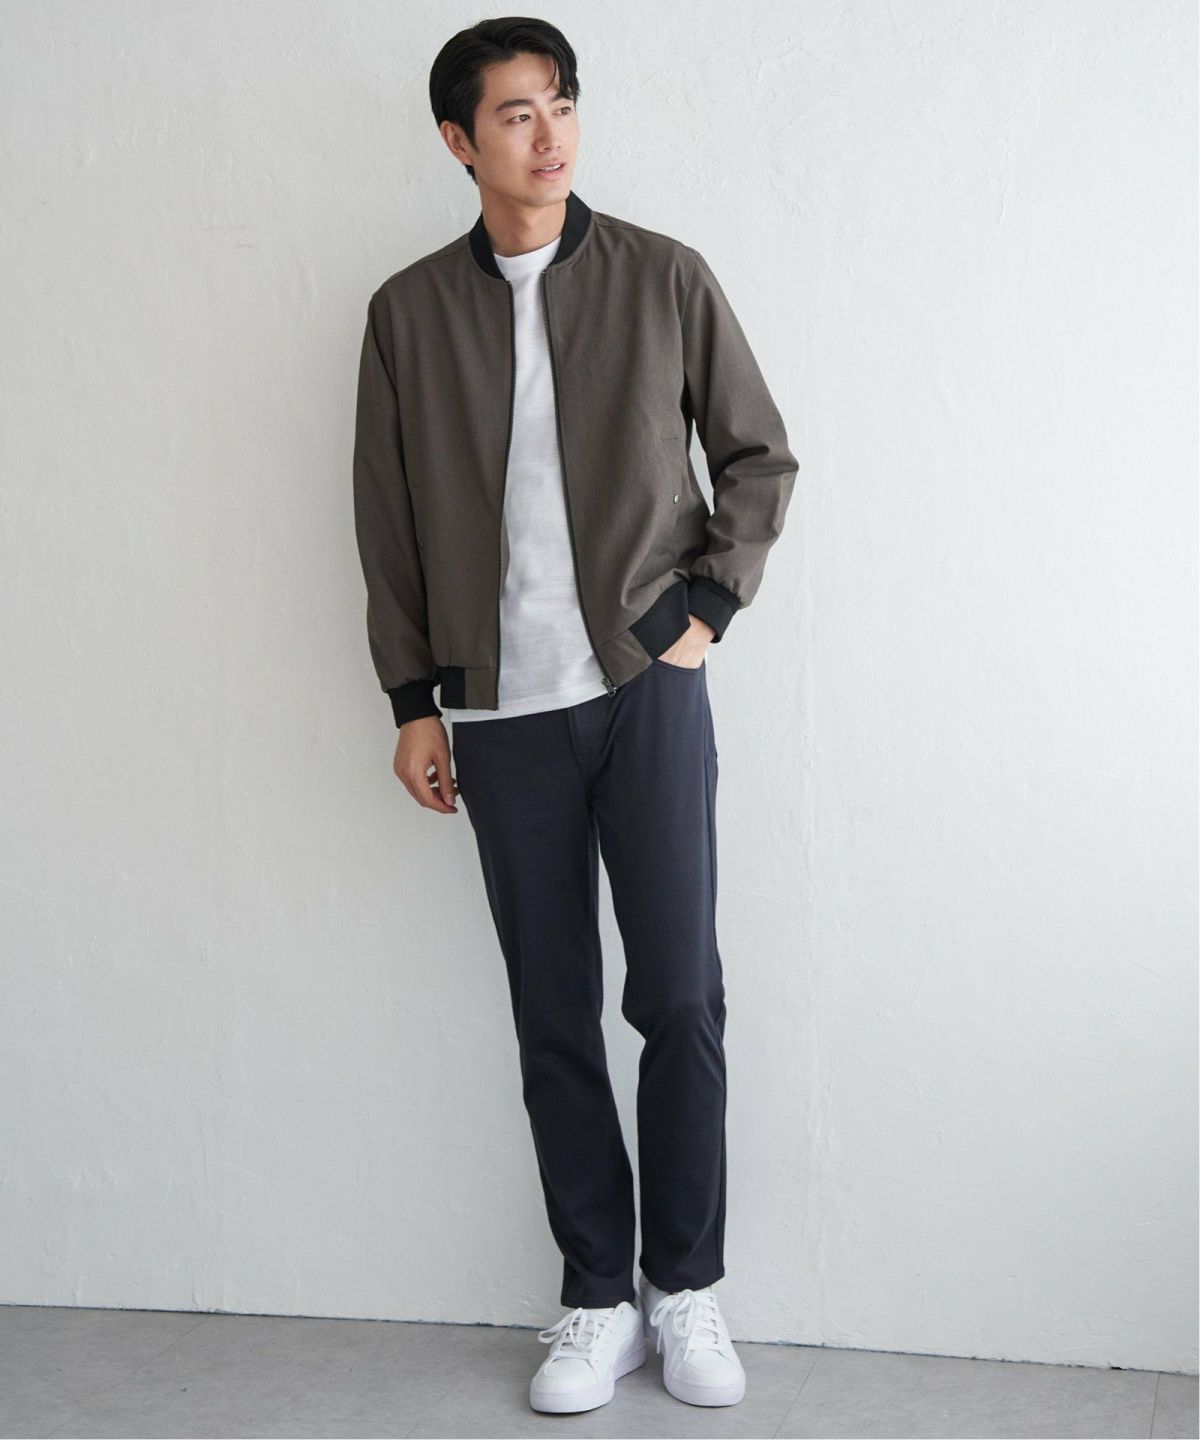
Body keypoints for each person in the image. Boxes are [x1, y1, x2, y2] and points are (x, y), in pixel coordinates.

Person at [352, 16, 799, 1416]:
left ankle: (687, 1288)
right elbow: (386, 520)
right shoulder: (408, 314)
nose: (548, 136)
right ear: (458, 140)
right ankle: (597, 1295)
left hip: (645, 691)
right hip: (500, 713)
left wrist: (705, 608)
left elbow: (758, 454)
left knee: (679, 996)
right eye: (514, 114)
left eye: (561, 105)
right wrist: (413, 700)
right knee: (551, 1010)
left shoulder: (663, 276)